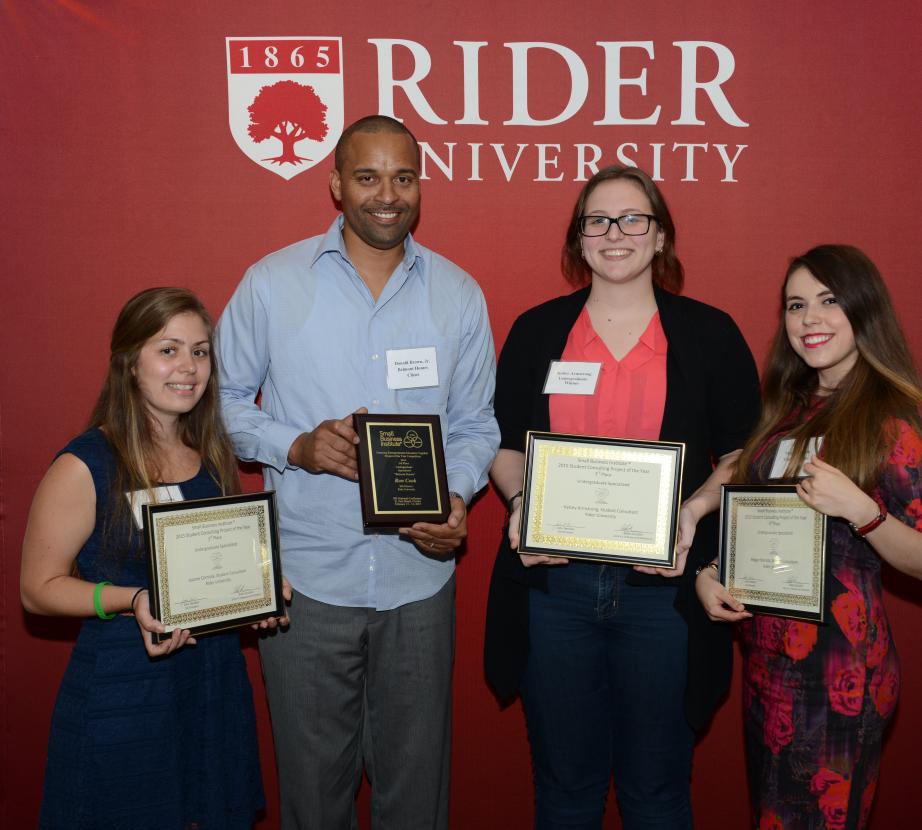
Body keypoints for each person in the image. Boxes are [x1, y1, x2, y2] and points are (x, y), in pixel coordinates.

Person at [216, 114, 499, 829]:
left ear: (420, 187)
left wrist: (458, 496)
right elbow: (215, 403)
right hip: (306, 584)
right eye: (368, 176)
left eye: (403, 177)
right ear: (336, 185)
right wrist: (295, 445)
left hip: (419, 583)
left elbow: (474, 426)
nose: (387, 194)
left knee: (416, 798)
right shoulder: (271, 284)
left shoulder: (458, 295)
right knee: (313, 799)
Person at [484, 164, 760, 829]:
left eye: (633, 219)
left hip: (662, 596)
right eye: (597, 220)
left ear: (660, 236)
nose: (615, 234)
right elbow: (505, 445)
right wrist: (522, 503)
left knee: (657, 793)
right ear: (578, 240)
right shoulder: (537, 332)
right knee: (565, 790)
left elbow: (743, 455)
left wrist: (692, 513)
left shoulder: (709, 334)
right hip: (557, 594)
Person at [20, 287, 271, 830]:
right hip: (124, 693)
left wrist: (258, 593)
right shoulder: (86, 463)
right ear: (130, 363)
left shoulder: (211, 455)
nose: (188, 368)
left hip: (209, 687)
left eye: (200, 351)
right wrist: (133, 598)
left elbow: (216, 571)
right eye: (169, 350)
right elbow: (36, 588)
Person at [696, 245, 922, 829]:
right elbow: (758, 512)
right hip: (769, 666)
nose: (809, 319)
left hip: (840, 674)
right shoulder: (788, 409)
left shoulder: (893, 417)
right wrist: (714, 574)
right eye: (796, 305)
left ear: (863, 310)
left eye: (828, 301)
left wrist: (862, 511)